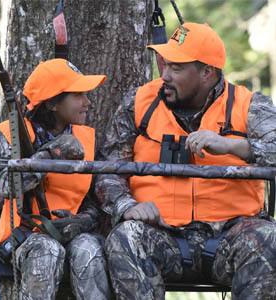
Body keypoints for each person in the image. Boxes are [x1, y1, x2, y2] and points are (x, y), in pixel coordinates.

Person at [95, 22, 276, 299]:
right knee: (126, 236)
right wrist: (127, 206)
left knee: (269, 238)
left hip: (232, 234)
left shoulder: (249, 105)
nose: (165, 75)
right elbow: (107, 170)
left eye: (176, 68)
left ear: (207, 72)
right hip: (162, 234)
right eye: (164, 64)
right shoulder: (139, 103)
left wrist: (231, 145)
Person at [0, 58, 113, 300]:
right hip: (18, 236)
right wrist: (50, 155)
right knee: (47, 249)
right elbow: (4, 187)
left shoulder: (87, 140)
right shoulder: (10, 135)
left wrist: (80, 223)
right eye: (78, 95)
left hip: (70, 236)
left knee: (89, 248)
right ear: (53, 104)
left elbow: (96, 203)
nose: (88, 102)